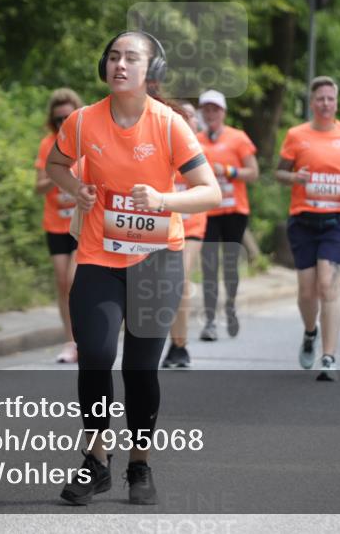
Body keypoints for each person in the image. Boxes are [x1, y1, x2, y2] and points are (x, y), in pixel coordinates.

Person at [46, 31, 220, 505]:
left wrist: (164, 199)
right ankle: (96, 462)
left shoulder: (169, 125)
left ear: (150, 71)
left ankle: (139, 464)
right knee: (97, 356)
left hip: (156, 261)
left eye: (132, 58)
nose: (120, 64)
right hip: (100, 256)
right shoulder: (82, 123)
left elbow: (210, 191)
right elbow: (57, 163)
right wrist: (74, 188)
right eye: (113, 57)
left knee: (141, 370)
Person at [277, 76, 340, 381]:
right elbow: (278, 172)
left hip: (339, 220)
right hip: (303, 220)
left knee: (326, 284)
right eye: (320, 99)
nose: (326, 104)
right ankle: (310, 332)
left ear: (336, 102)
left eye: (330, 98)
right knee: (306, 291)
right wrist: (294, 178)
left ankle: (329, 357)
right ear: (312, 102)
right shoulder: (296, 135)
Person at [196, 89, 259, 340]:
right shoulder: (195, 140)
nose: (210, 114)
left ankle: (230, 306)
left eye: (215, 109)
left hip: (234, 210)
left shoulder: (238, 138)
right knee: (209, 267)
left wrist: (230, 171)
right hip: (208, 212)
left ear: (223, 112)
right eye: (206, 109)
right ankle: (210, 320)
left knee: (230, 266)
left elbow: (253, 172)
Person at [35, 88, 84, 363]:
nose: (62, 124)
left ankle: (88, 335)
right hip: (56, 224)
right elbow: (39, 187)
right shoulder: (48, 145)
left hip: (83, 222)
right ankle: (70, 342)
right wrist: (58, 174)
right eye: (57, 120)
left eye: (67, 118)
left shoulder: (88, 140)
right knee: (62, 282)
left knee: (77, 280)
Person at [162, 101, 207, 369]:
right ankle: (172, 343)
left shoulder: (202, 149)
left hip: (191, 226)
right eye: (180, 116)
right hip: (161, 227)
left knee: (180, 278)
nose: (185, 120)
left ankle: (179, 346)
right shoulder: (161, 144)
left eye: (190, 117)